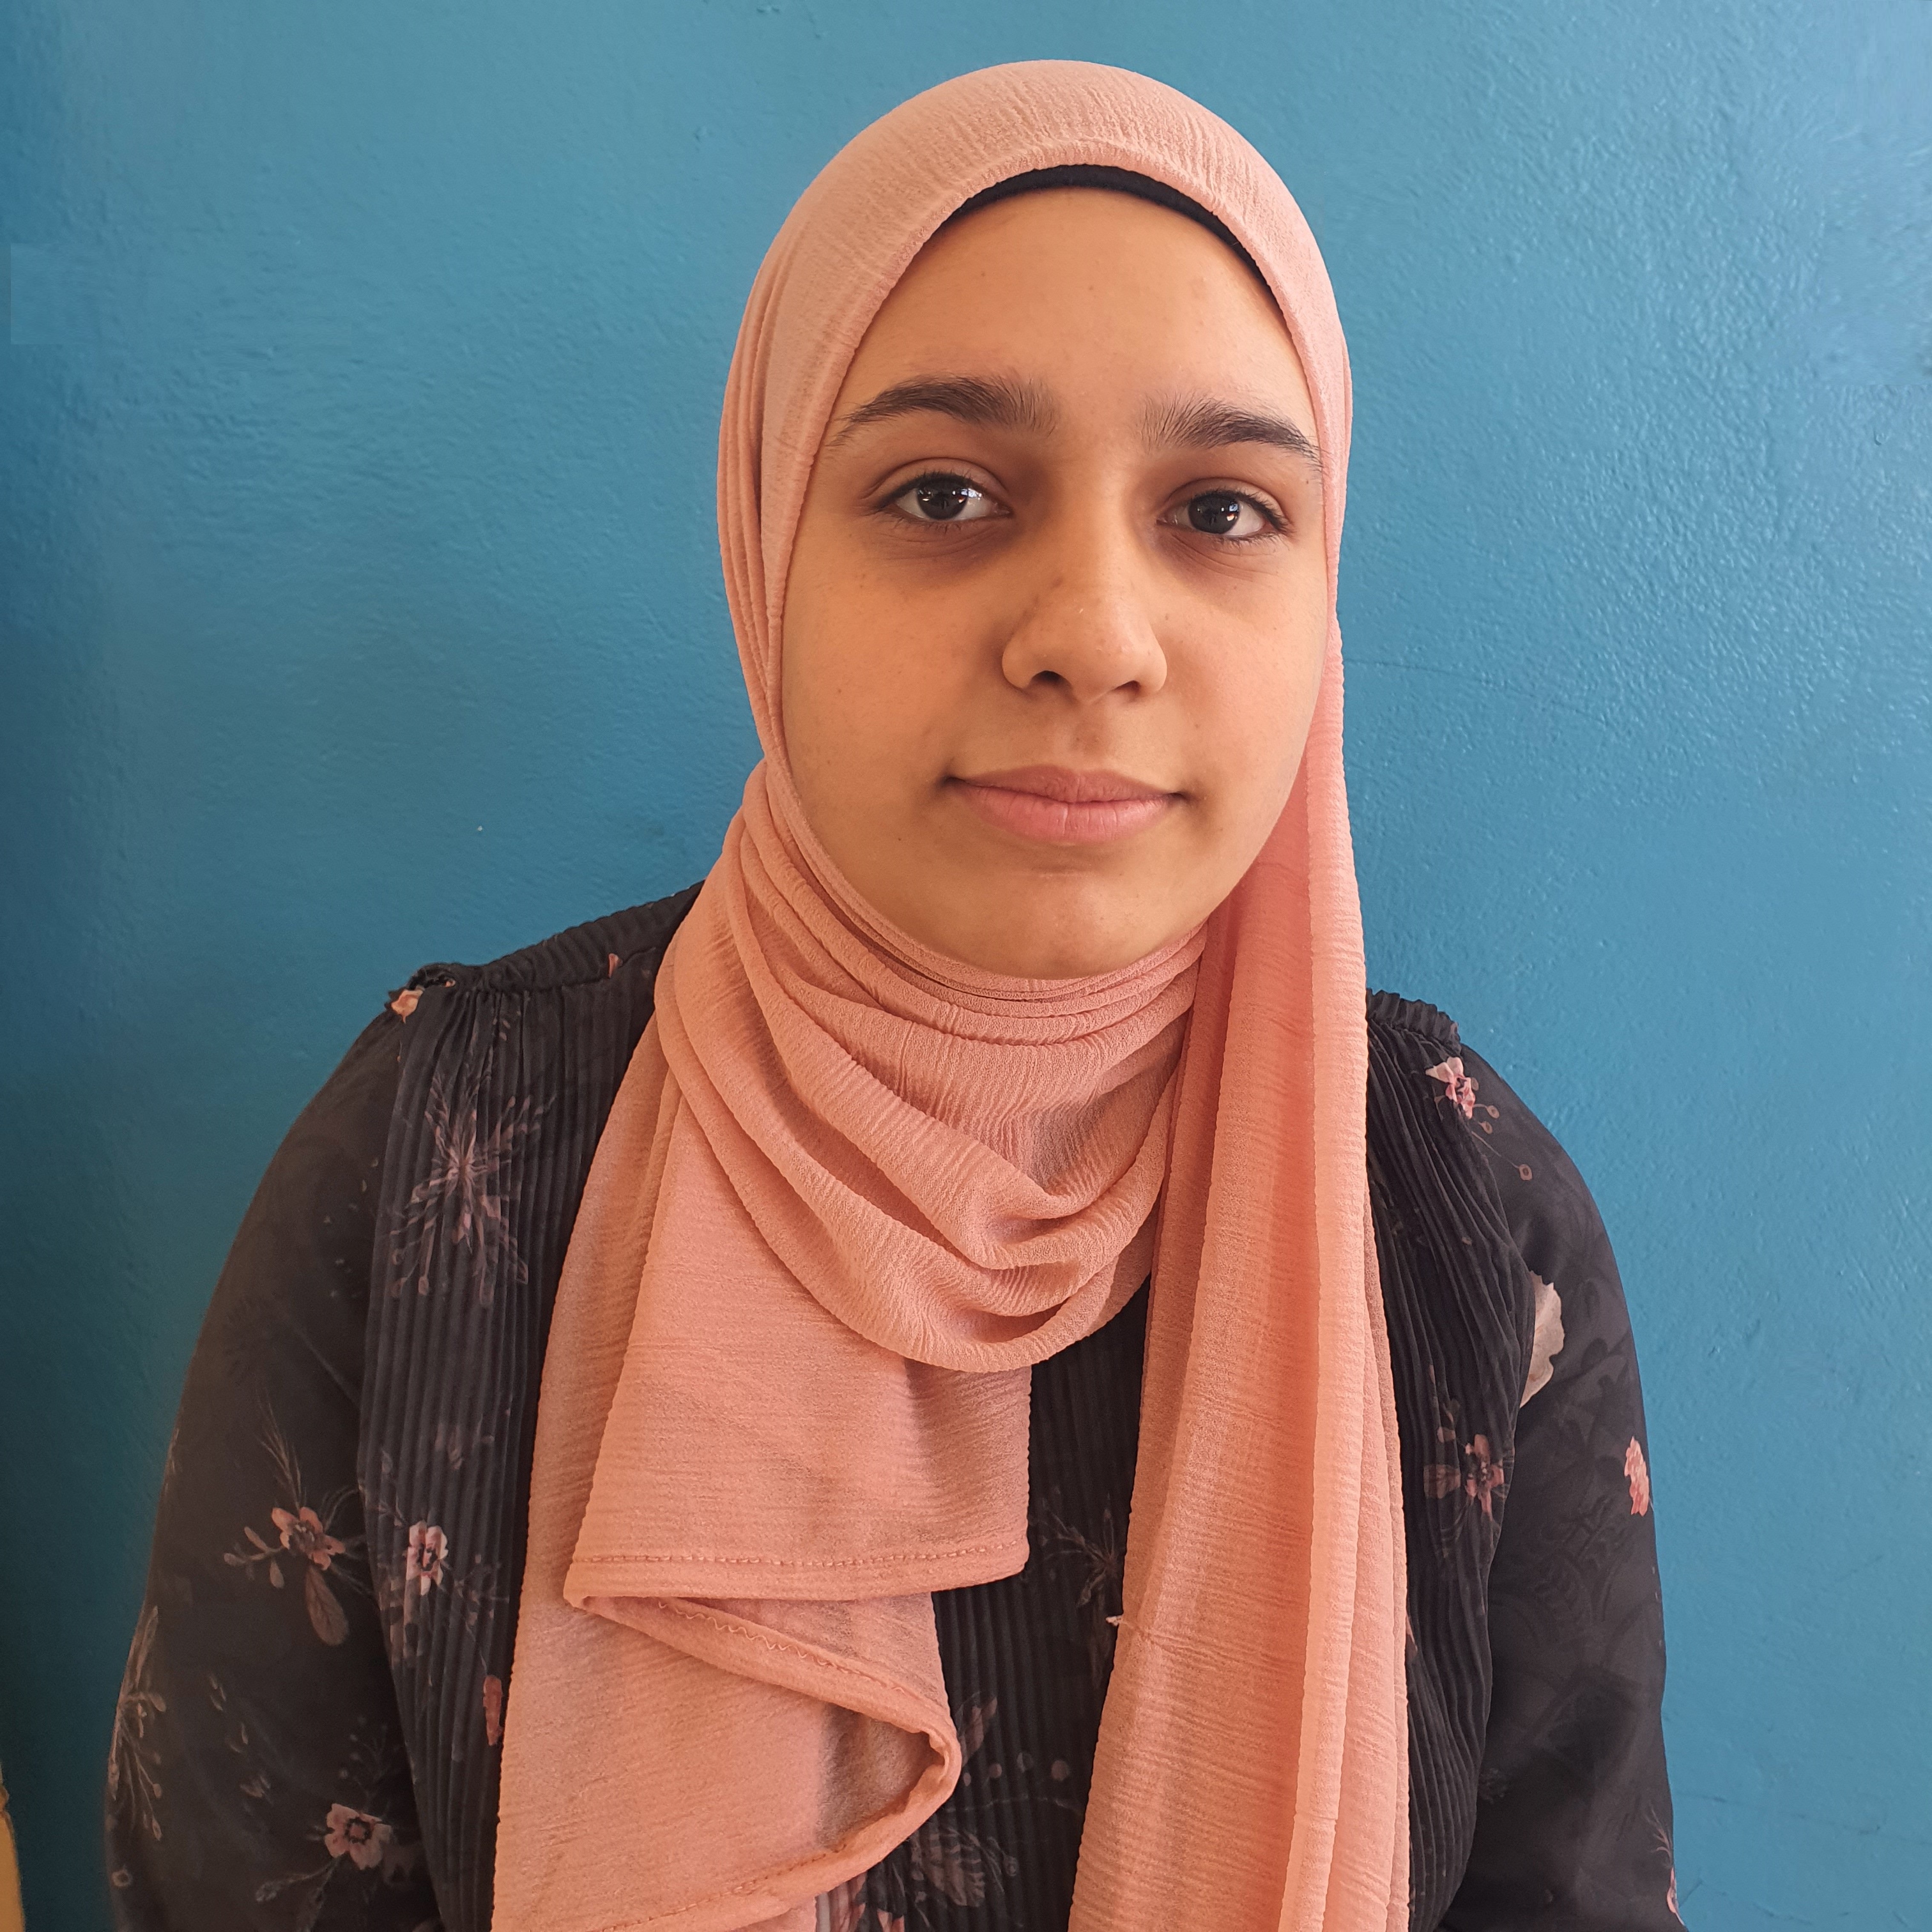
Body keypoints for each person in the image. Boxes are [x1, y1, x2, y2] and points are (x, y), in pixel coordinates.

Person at [104, 61, 1682, 1932]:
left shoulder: (1463, 1216)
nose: (1092, 636)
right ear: (769, 544)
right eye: (943, 492)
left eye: (1221, 509)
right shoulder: (440, 1165)